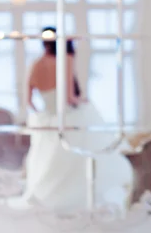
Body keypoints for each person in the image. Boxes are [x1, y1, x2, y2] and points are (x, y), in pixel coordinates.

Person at [7, 27, 132, 213]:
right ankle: (77, 197)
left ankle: (48, 197)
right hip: (66, 116)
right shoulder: (64, 59)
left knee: (48, 162)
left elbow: (28, 100)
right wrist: (82, 100)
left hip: (46, 119)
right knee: (85, 151)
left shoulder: (36, 63)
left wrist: (45, 113)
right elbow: (69, 97)